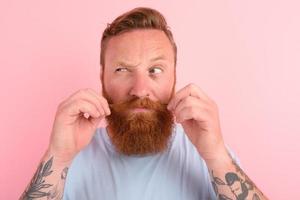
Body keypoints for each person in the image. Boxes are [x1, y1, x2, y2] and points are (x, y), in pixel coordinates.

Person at [20, 7, 268, 200]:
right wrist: (58, 155)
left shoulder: (209, 153)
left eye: (155, 69)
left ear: (174, 78)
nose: (140, 89)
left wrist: (216, 155)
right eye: (122, 69)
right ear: (102, 78)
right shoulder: (72, 156)